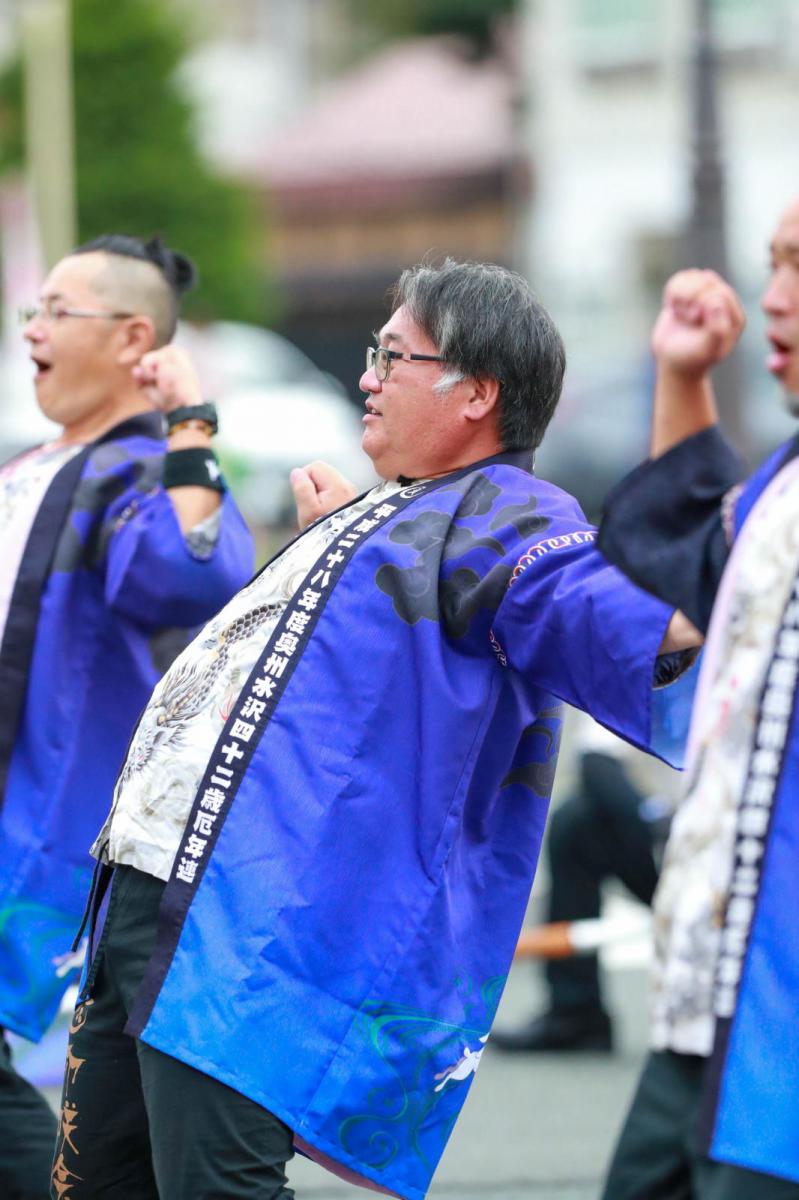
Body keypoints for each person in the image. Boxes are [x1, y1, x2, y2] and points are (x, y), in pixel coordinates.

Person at [56, 258, 696, 1200]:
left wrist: (709, 581)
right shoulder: (396, 507)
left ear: (475, 393)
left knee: (212, 1185)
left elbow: (613, 615)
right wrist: (346, 546)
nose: (366, 376)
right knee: (103, 1183)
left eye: (393, 357)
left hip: (251, 920)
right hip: (159, 881)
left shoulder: (505, 510)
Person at [0, 234, 253, 1199]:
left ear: (132, 336)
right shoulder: (33, 464)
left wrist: (187, 419)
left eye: (56, 311)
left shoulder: (140, 466)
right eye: (33, 310)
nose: (33, 329)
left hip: (50, 817)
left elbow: (190, 573)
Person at [597, 198, 799, 1197]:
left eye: (798, 267)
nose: (774, 298)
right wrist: (682, 376)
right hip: (714, 988)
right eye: (773, 264)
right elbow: (687, 545)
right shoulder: (782, 486)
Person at [490, 722, 662, 1054]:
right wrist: (656, 823)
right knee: (577, 822)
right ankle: (577, 1012)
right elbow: (597, 760)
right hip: (670, 840)